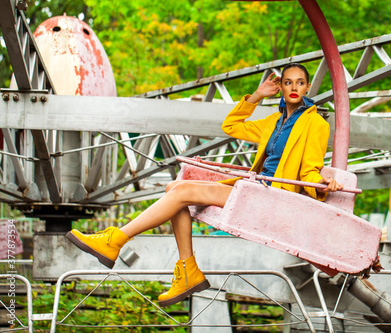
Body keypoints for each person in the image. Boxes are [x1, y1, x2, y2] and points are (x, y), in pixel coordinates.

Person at [66, 63, 343, 307]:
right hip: (255, 188)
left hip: (275, 197)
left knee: (182, 190)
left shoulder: (315, 124)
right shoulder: (273, 121)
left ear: (307, 87)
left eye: (300, 82)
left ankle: (116, 239)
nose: (294, 87)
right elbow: (231, 126)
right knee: (172, 189)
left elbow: (309, 170)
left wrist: (321, 183)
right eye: (287, 82)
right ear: (280, 87)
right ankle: (188, 271)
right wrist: (257, 96)